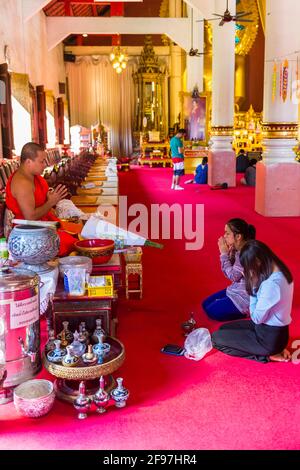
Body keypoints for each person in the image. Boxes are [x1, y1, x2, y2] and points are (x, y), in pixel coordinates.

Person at [212, 240, 293, 363]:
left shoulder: (272, 284)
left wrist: (253, 286)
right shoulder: (279, 270)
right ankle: (275, 349)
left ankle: (266, 356)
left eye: (247, 266)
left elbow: (256, 318)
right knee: (223, 328)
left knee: (215, 339)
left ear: (257, 262)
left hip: (268, 339)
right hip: (270, 331)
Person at [6, 142, 76, 256]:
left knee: (77, 234)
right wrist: (51, 202)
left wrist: (48, 195)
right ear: (29, 162)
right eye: (42, 161)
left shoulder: (33, 176)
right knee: (75, 246)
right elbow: (30, 216)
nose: (45, 165)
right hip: (30, 235)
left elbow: (39, 196)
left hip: (44, 226)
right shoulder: (22, 183)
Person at [202, 218, 256, 322]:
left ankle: (247, 312)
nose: (224, 236)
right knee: (205, 304)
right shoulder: (237, 250)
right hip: (235, 289)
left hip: (244, 297)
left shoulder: (246, 253)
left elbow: (233, 276)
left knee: (211, 311)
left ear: (238, 236)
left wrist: (223, 254)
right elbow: (228, 274)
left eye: (227, 233)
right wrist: (229, 253)